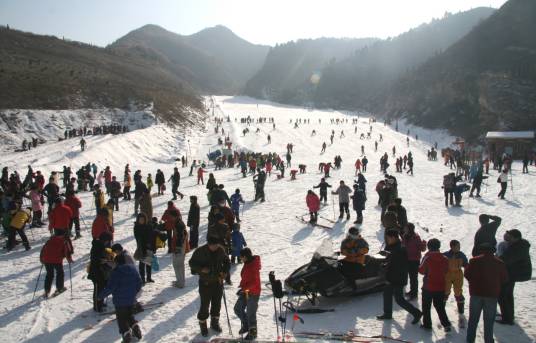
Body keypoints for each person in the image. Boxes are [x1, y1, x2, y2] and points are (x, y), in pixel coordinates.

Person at [465, 243, 508, 343]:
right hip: (492, 294)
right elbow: (505, 279)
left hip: (476, 293)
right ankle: (488, 340)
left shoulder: (474, 261)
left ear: (481, 250)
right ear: (494, 251)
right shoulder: (499, 263)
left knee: (473, 320)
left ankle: (470, 340)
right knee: (489, 321)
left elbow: (467, 274)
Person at [377, 230, 422, 324]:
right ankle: (387, 313)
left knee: (399, 299)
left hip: (397, 278)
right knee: (387, 294)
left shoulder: (400, 249)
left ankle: (416, 313)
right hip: (391, 276)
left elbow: (397, 266)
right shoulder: (392, 246)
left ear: (393, 237)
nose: (387, 240)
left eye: (388, 238)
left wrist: (386, 267)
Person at [189, 235, 231, 337]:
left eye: (217, 245)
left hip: (218, 281)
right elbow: (191, 263)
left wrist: (225, 272)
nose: (215, 247)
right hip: (205, 283)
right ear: (208, 244)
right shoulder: (200, 251)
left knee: (217, 304)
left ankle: (214, 323)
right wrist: (201, 269)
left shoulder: (220, 250)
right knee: (205, 305)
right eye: (213, 245)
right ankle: (203, 324)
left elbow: (227, 261)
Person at [98, 253, 143, 343]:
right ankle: (135, 327)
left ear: (117, 262)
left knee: (122, 319)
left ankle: (126, 335)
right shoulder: (133, 269)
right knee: (129, 315)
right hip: (131, 299)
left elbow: (110, 288)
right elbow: (139, 283)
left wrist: (100, 296)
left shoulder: (116, 272)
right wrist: (133, 292)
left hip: (119, 302)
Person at [497, 229, 532, 325]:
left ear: (515, 238)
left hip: (513, 274)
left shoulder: (519, 248)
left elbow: (506, 259)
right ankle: (508, 315)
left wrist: (494, 259)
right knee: (507, 295)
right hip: (512, 273)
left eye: (509, 236)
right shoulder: (518, 245)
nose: (507, 237)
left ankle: (507, 318)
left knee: (503, 295)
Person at [419, 239, 451, 331]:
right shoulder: (445, 258)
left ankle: (427, 324)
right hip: (440, 286)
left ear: (429, 247)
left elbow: (421, 270)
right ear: (439, 246)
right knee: (440, 306)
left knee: (426, 306)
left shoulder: (427, 257)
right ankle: (446, 324)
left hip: (428, 286)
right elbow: (446, 270)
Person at [234, 248, 261, 340]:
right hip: (246, 291)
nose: (240, 259)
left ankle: (253, 333)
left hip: (253, 292)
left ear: (245, 256)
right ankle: (246, 325)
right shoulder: (247, 263)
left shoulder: (253, 265)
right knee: (237, 308)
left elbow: (254, 282)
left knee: (251, 313)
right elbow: (246, 277)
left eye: (241, 257)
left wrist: (244, 289)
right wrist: (242, 287)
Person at [40, 229, 73, 297]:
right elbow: (67, 252)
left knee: (49, 274)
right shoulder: (64, 241)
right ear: (62, 235)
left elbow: (43, 250)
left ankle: (47, 290)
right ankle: (60, 288)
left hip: (47, 260)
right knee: (60, 273)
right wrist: (69, 259)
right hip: (57, 260)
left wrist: (42, 259)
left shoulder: (50, 240)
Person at [88, 232, 114, 312]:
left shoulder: (102, 246)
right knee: (97, 289)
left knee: (102, 288)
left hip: (102, 272)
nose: (108, 243)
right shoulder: (97, 246)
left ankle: (101, 303)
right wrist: (101, 260)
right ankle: (97, 306)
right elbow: (94, 258)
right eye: (108, 241)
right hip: (96, 272)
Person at [443, 240, 468, 315]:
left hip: (458, 275)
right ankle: (442, 308)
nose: (459, 247)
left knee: (458, 291)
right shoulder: (446, 255)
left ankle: (461, 309)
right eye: (457, 246)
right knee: (446, 291)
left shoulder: (461, 255)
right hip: (447, 275)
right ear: (452, 247)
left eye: (459, 246)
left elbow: (466, 264)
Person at [402, 223, 426, 300]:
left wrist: (424, 244)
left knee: (413, 278)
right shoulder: (405, 236)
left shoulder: (416, 237)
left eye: (405, 228)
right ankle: (412, 291)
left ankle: (414, 294)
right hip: (407, 259)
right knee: (411, 277)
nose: (404, 229)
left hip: (414, 260)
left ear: (409, 229)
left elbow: (422, 249)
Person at [134, 213, 155, 284]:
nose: (142, 221)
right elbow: (137, 237)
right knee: (142, 264)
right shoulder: (136, 227)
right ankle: (142, 279)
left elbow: (152, 236)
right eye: (140, 219)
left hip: (149, 247)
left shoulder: (149, 226)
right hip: (141, 247)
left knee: (148, 263)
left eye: (143, 219)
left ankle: (149, 278)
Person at [170, 212, 189, 288]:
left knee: (178, 265)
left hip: (180, 248)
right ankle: (180, 281)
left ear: (175, 216)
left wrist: (178, 248)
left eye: (172, 217)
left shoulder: (179, 225)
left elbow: (181, 237)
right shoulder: (178, 223)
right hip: (181, 247)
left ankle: (180, 283)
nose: (171, 218)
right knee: (179, 265)